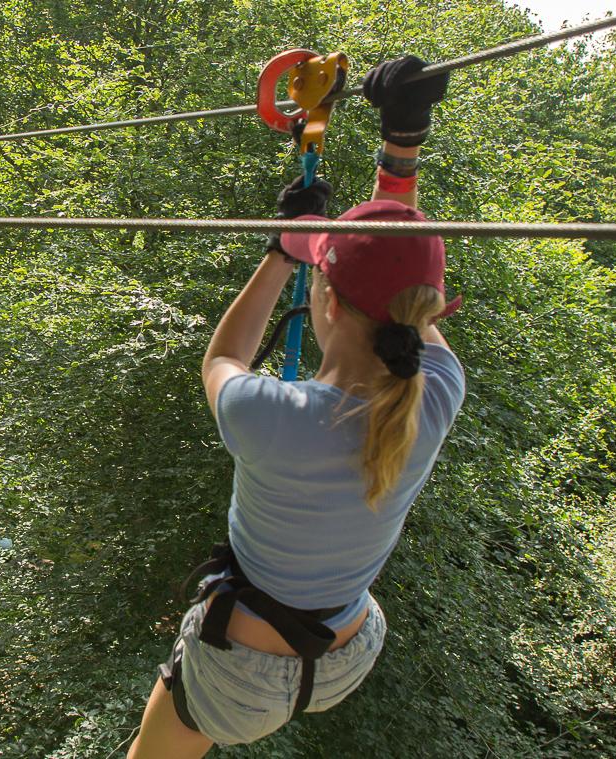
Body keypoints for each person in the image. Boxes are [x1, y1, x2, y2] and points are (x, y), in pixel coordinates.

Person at [127, 55, 464, 758]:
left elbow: (219, 359)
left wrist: (281, 249)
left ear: (328, 301)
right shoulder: (435, 390)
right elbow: (398, 269)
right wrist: (402, 144)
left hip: (242, 670)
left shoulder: (272, 416)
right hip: (346, 652)